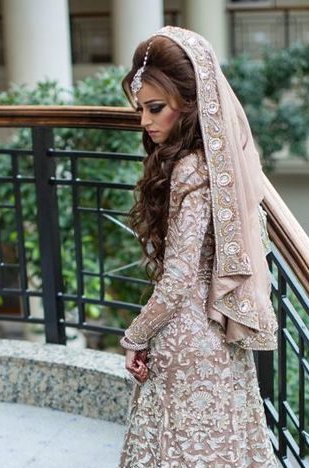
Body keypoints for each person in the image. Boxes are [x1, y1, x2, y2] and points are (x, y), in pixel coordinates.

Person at [118, 26, 279, 467]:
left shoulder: (190, 169)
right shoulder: (215, 164)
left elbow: (177, 280)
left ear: (189, 103)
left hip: (186, 341)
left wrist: (134, 336)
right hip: (218, 330)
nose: (145, 122)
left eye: (155, 108)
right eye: (140, 109)